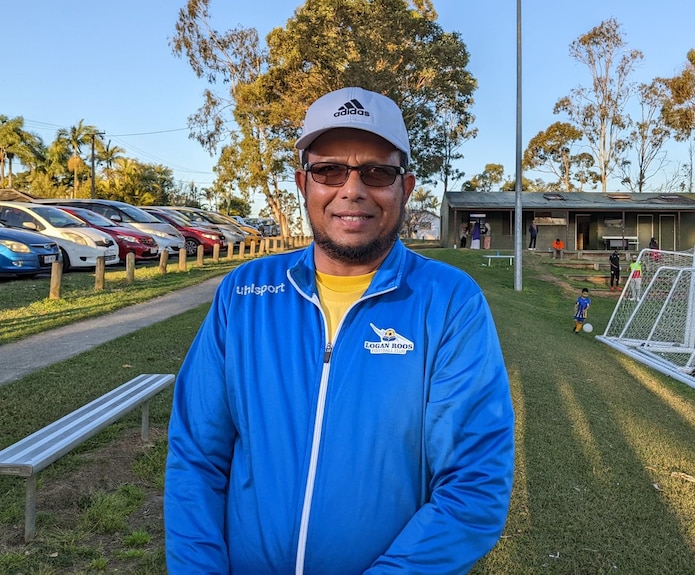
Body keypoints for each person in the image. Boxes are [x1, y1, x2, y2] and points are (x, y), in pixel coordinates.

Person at [164, 87, 515, 574]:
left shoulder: (450, 301)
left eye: (377, 172)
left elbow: (474, 486)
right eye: (330, 170)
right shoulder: (242, 294)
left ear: (406, 188)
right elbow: (197, 459)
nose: (352, 190)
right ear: (303, 183)